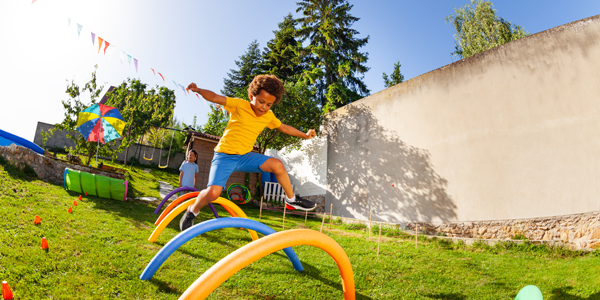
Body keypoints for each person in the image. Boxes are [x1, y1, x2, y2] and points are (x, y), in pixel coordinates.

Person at [180, 75, 317, 231]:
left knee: (277, 164)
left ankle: (291, 199)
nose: (264, 107)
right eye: (261, 101)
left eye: (269, 105)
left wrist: (305, 135)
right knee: (213, 193)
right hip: (224, 156)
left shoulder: (268, 116)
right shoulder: (239, 105)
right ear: (252, 96)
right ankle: (193, 210)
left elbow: (284, 127)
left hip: (245, 156)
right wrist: (198, 90)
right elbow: (215, 97)